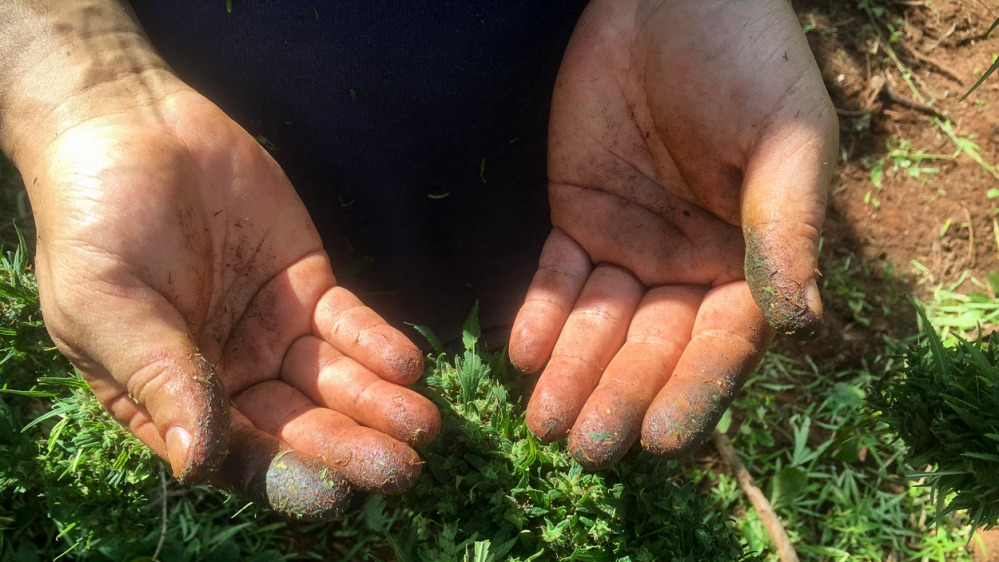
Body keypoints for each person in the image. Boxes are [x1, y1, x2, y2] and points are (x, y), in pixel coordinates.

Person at [0, 0, 837, 519]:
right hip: (212, 120)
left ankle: (497, 345)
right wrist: (85, 86)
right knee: (301, 303)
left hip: (590, 93)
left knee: (540, 293)